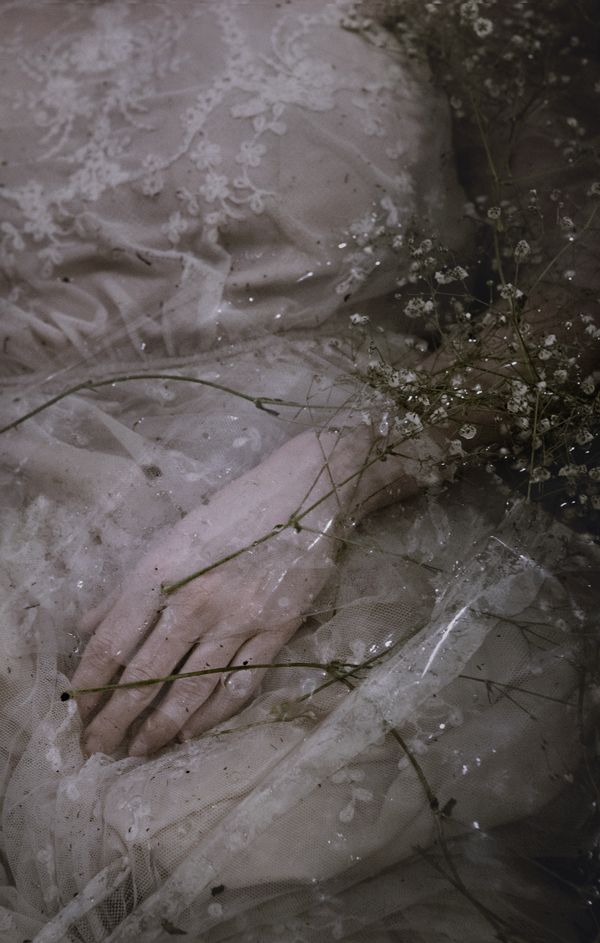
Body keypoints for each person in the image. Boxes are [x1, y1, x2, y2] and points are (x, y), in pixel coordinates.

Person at [0, 1, 598, 941]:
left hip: (356, 520)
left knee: (250, 843)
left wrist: (340, 471)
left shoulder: (468, 12)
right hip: (19, 543)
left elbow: (579, 298)